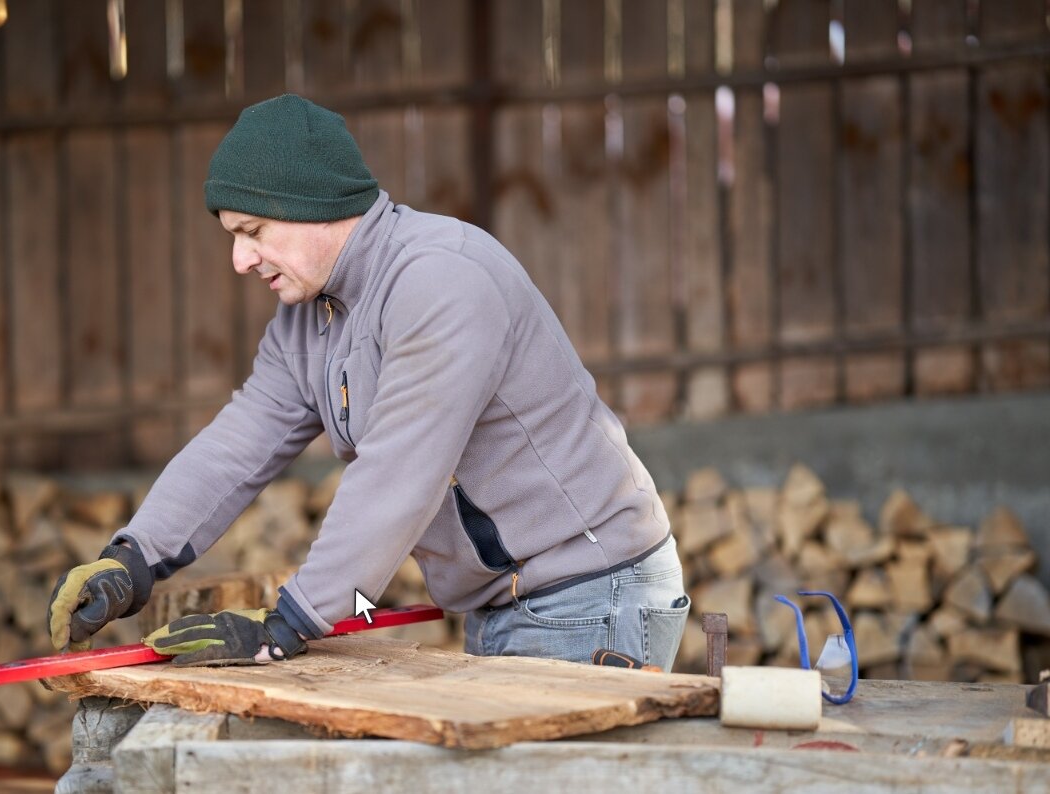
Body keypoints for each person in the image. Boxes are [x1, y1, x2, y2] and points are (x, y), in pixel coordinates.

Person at [47, 94, 689, 669]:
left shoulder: (440, 280)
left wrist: (291, 624)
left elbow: (399, 474)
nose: (240, 259)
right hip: (507, 604)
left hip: (590, 593)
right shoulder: (311, 318)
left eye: (252, 232)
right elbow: (238, 443)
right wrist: (132, 558)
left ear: (309, 205)